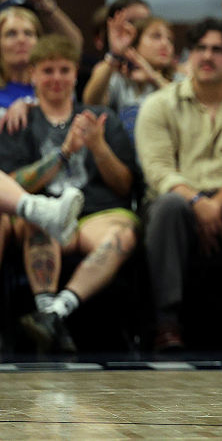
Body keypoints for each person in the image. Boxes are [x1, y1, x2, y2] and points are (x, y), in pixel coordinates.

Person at [135, 18, 222, 352]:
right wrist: (197, 202)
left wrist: (213, 205)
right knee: (168, 206)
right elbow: (158, 171)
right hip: (177, 197)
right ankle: (166, 324)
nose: (207, 56)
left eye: (218, 50)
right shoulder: (158, 105)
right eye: (200, 48)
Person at [0, 35, 138, 354]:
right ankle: (47, 308)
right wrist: (63, 153)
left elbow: (124, 185)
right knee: (39, 220)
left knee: (121, 237)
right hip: (42, 213)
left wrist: (98, 147)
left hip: (96, 212)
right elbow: (13, 183)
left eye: (64, 70)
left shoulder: (101, 117)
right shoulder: (19, 121)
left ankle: (54, 313)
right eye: (48, 71)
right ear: (33, 74)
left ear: (76, 74)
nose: (57, 78)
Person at [82, 14, 178, 137]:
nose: (165, 43)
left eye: (170, 40)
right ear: (135, 43)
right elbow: (91, 102)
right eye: (156, 36)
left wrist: (153, 76)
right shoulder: (119, 78)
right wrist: (114, 56)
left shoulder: (179, 80)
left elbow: (185, 105)